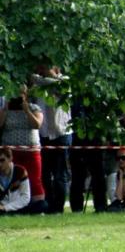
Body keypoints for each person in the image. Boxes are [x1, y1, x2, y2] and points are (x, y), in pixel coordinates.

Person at [0, 85, 46, 213]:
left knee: (34, 179)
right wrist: (5, 109)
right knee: (12, 179)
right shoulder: (7, 109)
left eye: (21, 94)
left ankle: (38, 207)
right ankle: (9, 206)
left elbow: (37, 125)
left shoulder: (34, 108)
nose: (18, 96)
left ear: (26, 94)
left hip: (31, 151)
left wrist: (27, 110)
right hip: (10, 152)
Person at [33, 65, 72, 214]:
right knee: (44, 174)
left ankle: (58, 208)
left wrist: (47, 76)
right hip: (43, 135)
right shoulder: (39, 83)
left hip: (61, 133)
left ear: (56, 68)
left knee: (59, 175)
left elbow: (59, 87)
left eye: (45, 67)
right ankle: (49, 206)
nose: (41, 70)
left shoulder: (64, 82)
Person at [0, 147, 31, 214]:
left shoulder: (20, 172)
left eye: (2, 160)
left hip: (18, 205)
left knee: (42, 205)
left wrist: (6, 207)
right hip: (2, 205)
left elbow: (26, 197)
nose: (0, 164)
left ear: (10, 158)